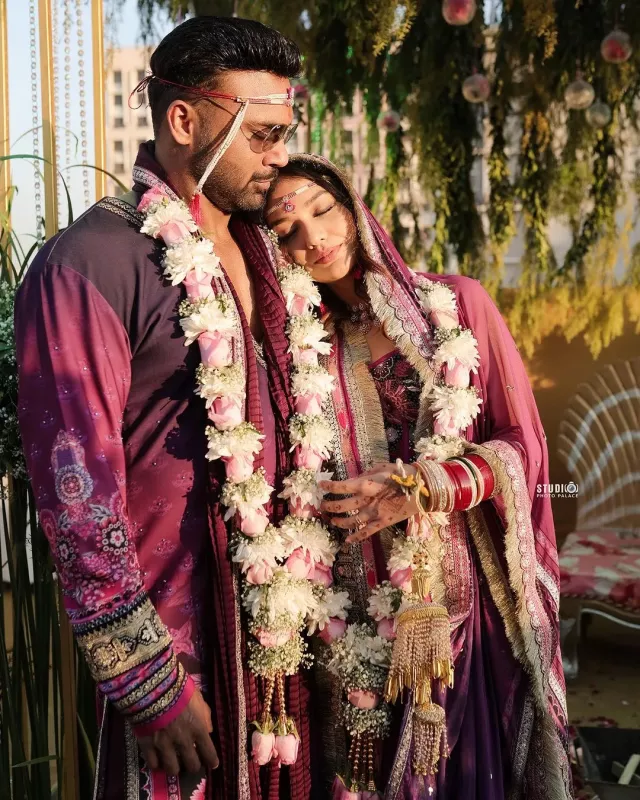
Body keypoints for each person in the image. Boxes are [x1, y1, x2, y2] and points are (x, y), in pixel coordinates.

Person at [15, 17, 323, 800]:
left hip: (286, 651)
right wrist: (145, 679)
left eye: (284, 135)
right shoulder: (91, 262)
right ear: (184, 121)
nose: (279, 156)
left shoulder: (272, 254)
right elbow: (75, 494)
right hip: (178, 664)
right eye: (261, 135)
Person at [262, 155, 573, 799]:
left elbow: (522, 445)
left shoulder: (455, 306)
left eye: (322, 210)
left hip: (454, 603)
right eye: (287, 231)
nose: (314, 238)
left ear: (354, 209)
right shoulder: (302, 348)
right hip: (350, 610)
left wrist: (426, 486)